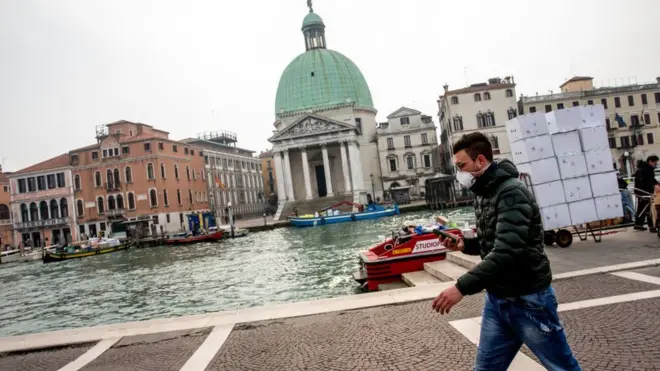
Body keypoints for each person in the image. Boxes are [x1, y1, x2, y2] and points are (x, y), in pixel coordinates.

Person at [431, 132, 581, 371]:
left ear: (481, 160)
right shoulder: (484, 193)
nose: (459, 173)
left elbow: (507, 251)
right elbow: (492, 240)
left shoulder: (511, 192)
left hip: (528, 299)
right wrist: (464, 245)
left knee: (562, 367)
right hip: (498, 299)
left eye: (462, 166)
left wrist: (460, 287)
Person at [633, 155, 659, 232]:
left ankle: (638, 224)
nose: (655, 164)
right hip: (645, 191)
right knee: (650, 208)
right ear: (650, 161)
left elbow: (650, 180)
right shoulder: (648, 169)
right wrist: (654, 187)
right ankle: (652, 226)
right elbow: (649, 181)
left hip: (639, 191)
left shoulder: (642, 168)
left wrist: (656, 183)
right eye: (655, 162)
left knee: (641, 207)